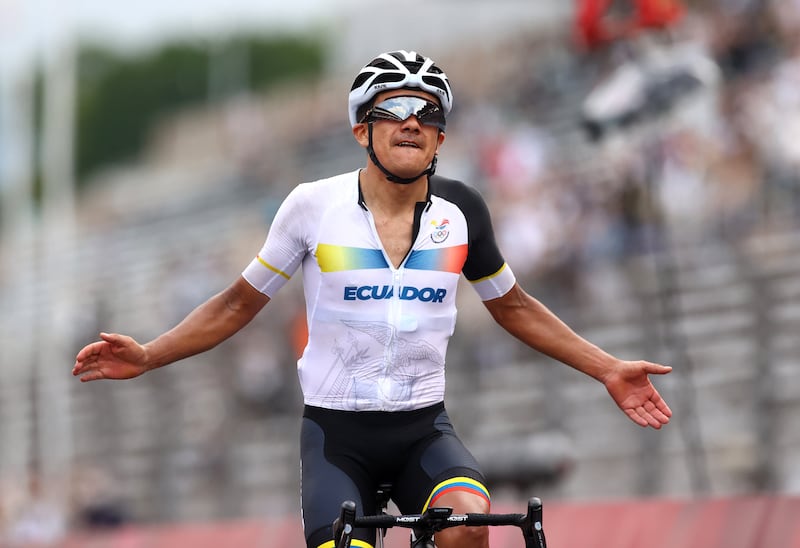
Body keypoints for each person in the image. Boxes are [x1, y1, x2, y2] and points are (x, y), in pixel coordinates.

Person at [73, 50, 673, 548]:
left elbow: (514, 306)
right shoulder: (312, 206)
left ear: (440, 135)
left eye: (428, 112)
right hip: (338, 437)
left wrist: (608, 369)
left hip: (423, 430)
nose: (411, 121)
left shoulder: (462, 211)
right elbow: (236, 305)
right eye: (394, 109)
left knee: (467, 527)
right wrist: (150, 355)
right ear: (363, 128)